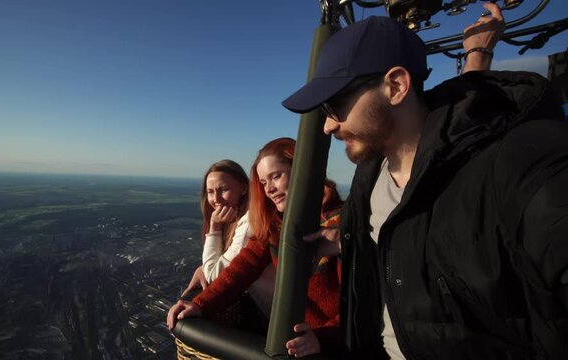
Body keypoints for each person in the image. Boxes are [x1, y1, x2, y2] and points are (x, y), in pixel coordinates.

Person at [282, 3, 568, 360]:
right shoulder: (368, 181)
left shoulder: (520, 166)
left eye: (335, 106)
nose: (328, 126)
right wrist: (348, 239)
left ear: (396, 86)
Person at [167, 137, 343, 358]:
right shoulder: (276, 226)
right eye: (263, 182)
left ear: (302, 170)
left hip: (333, 346)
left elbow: (362, 302)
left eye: (276, 176)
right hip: (295, 342)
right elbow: (242, 268)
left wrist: (323, 337)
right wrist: (200, 304)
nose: (269, 189)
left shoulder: (343, 224)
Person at [181, 160, 275, 319]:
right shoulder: (242, 215)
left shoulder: (251, 222)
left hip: (276, 321)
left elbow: (215, 276)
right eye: (210, 191)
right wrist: (202, 268)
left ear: (244, 188)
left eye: (223, 189)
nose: (216, 199)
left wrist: (214, 228)